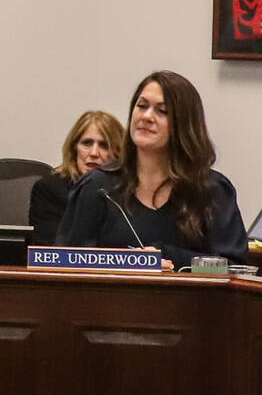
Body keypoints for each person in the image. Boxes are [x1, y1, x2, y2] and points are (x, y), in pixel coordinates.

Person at [59, 71, 247, 267]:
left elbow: (233, 267)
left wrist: (167, 257)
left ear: (184, 124)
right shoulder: (97, 187)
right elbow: (65, 265)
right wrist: (128, 266)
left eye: (162, 111)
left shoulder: (212, 190)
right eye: (141, 106)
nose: (147, 116)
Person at [29, 110, 124, 244]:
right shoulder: (50, 189)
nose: (94, 153)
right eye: (87, 143)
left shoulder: (127, 192)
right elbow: (49, 250)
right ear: (74, 148)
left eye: (104, 145)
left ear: (118, 152)